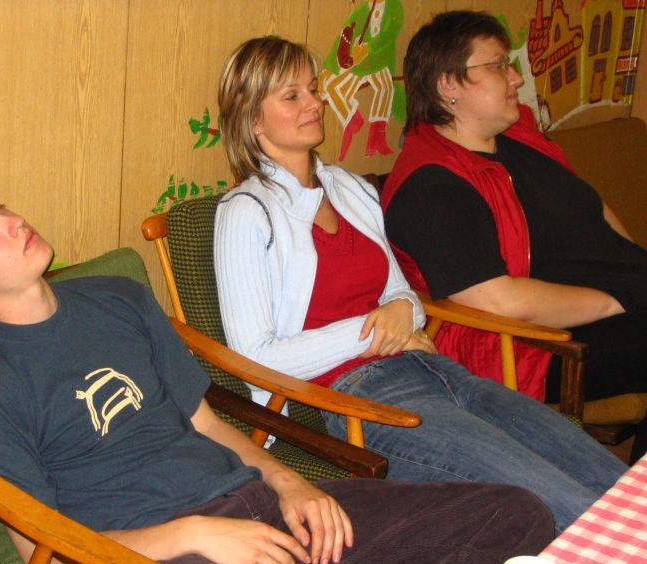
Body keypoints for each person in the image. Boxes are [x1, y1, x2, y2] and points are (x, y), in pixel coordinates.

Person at [0, 175, 555, 564]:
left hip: (259, 509)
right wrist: (195, 534)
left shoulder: (116, 298)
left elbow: (204, 422)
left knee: (515, 515)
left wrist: (291, 486)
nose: (13, 221)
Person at [213, 35, 627, 536]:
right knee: (568, 505)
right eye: (292, 95)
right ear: (253, 119)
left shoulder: (348, 188)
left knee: (614, 483)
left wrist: (399, 314)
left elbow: (404, 295)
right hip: (358, 401)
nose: (315, 103)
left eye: (313, 88)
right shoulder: (246, 212)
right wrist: (375, 331)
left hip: (436, 370)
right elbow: (254, 357)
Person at [381, 10, 647, 406]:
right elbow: (497, 300)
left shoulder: (519, 137)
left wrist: (636, 270)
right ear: (448, 84)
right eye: (497, 66)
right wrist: (620, 298)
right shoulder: (431, 186)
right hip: (535, 345)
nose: (516, 78)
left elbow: (593, 208)